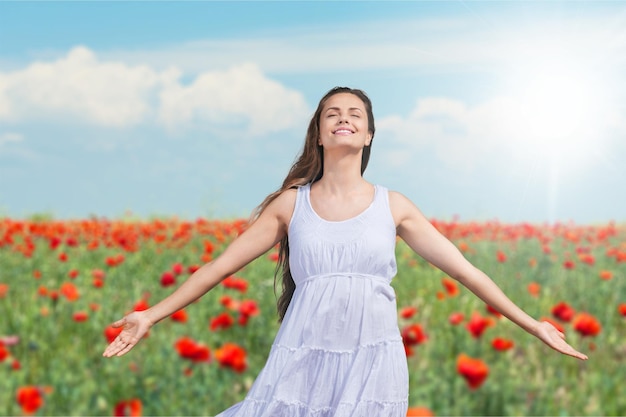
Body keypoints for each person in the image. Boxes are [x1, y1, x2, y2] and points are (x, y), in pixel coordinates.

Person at [103, 86, 588, 416]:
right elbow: (215, 268)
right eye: (332, 113)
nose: (344, 119)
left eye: (355, 114)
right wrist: (150, 314)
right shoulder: (290, 206)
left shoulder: (393, 206)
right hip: (303, 358)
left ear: (369, 134)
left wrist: (533, 323)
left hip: (373, 360)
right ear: (319, 132)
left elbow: (468, 272)